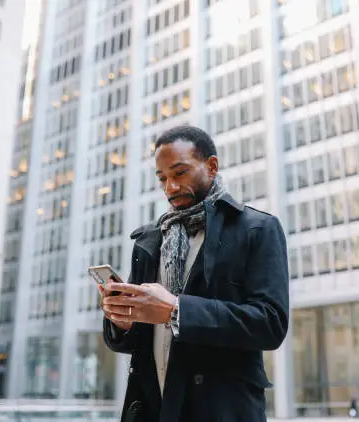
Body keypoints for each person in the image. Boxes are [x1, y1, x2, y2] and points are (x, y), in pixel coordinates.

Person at [98, 125, 289, 422]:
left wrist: (177, 311)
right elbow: (137, 343)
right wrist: (122, 320)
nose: (169, 187)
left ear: (211, 166)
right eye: (162, 179)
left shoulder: (257, 229)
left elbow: (271, 324)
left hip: (221, 411)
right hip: (152, 409)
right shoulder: (150, 240)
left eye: (180, 173)